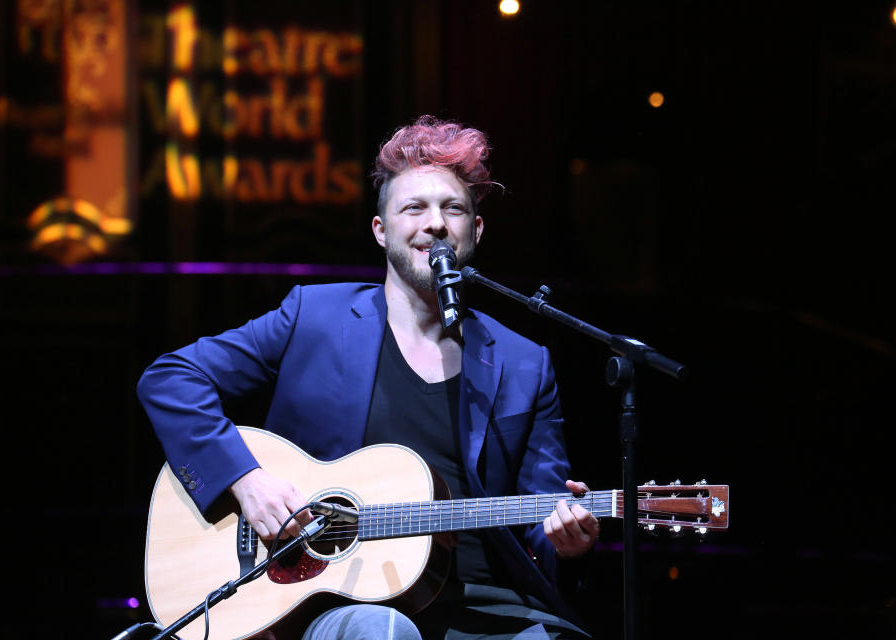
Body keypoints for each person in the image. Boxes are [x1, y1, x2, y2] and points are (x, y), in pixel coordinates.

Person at [138, 115, 599, 639]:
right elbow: (171, 377)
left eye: (453, 208)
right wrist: (246, 481)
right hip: (334, 597)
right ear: (381, 231)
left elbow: (541, 522)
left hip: (490, 608)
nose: (435, 223)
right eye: (414, 208)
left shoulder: (524, 362)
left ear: (476, 229)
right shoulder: (314, 317)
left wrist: (568, 540)